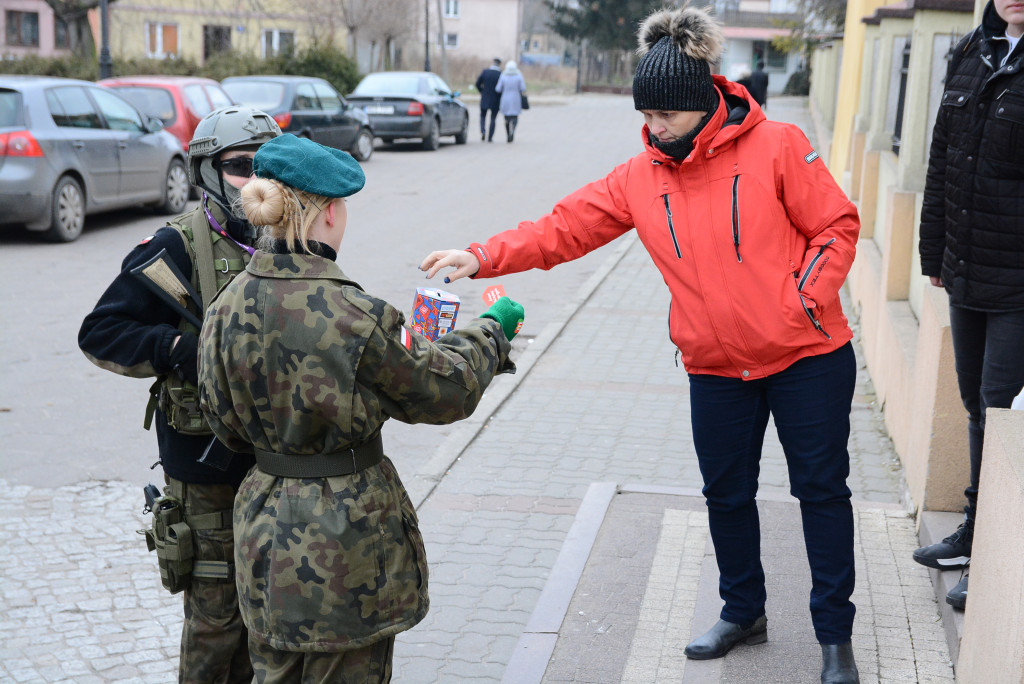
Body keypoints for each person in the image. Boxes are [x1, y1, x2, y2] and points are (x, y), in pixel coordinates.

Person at [421, 7, 861, 683]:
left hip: (808, 358)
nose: (653, 127)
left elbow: (836, 226)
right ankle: (743, 611)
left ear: (702, 100)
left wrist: (801, 301)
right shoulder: (640, 177)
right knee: (726, 495)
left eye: (664, 114)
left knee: (821, 492)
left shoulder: (777, 145)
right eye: (645, 114)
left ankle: (835, 636)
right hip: (715, 367)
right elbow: (563, 228)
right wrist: (482, 256)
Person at [196, 133, 523, 683]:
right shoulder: (354, 313)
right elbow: (444, 392)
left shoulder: (224, 306)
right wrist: (493, 330)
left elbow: (220, 419)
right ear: (327, 213)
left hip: (262, 529)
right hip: (346, 546)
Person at [79, 105, 282, 683]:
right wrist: (180, 349)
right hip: (206, 469)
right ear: (208, 172)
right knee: (217, 624)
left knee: (277, 617)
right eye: (241, 166)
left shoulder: (287, 238)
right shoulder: (176, 246)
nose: (258, 181)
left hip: (281, 465)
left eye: (269, 166)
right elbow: (101, 332)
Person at [915, 0, 1024, 612]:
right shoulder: (971, 52)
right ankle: (974, 530)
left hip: (1019, 284)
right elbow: (943, 158)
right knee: (976, 405)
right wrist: (934, 249)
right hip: (966, 271)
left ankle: (990, 558)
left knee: (1002, 410)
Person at [495, 60, 527, 142]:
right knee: (515, 116)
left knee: (506, 117)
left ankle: (508, 133)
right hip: (516, 98)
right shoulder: (519, 75)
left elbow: (498, 88)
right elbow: (523, 88)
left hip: (505, 98)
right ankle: (513, 131)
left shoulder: (503, 75)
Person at [476, 57, 503, 142]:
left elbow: (477, 84)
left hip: (485, 97)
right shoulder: (501, 74)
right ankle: (490, 137)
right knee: (493, 118)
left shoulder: (485, 72)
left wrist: (482, 91)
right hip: (496, 99)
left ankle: (483, 131)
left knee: (482, 116)